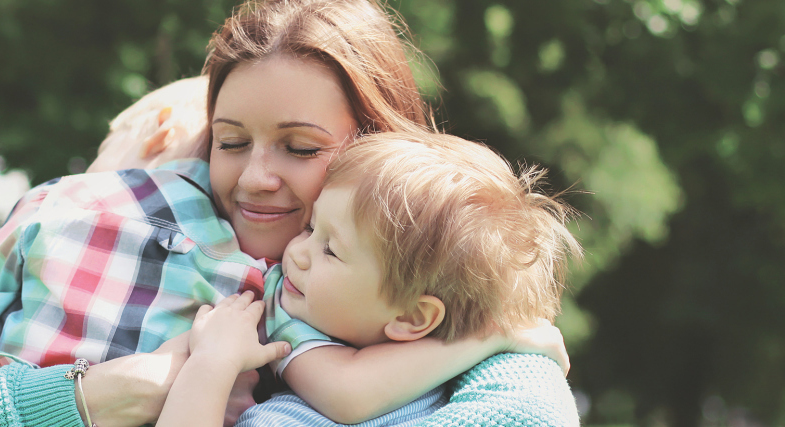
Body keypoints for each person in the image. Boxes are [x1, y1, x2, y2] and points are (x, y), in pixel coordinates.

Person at [0, 0, 575, 425]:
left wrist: (500, 334)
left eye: (301, 148)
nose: (255, 178)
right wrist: (90, 397)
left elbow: (529, 414)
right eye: (229, 140)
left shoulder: (436, 273)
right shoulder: (94, 223)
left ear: (375, 151)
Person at [158, 132, 582, 427]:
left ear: (415, 318)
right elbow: (349, 392)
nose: (297, 252)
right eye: (310, 228)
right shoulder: (287, 312)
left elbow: (353, 392)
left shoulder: (477, 387)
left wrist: (492, 340)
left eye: (330, 249)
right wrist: (492, 337)